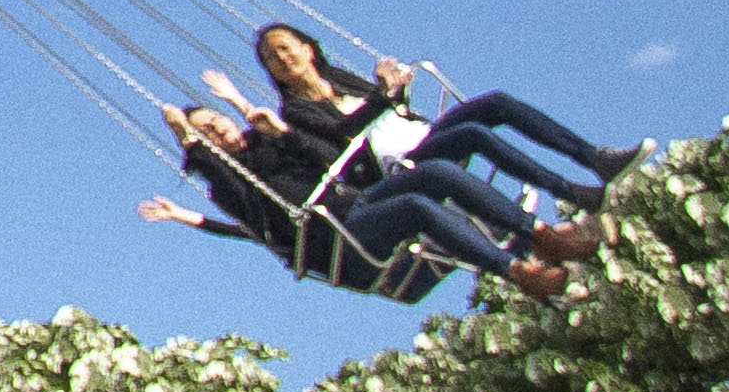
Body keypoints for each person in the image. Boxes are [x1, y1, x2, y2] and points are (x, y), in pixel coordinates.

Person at [143, 99, 554, 293]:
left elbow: (328, 158)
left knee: (436, 173)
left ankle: (537, 234)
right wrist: (187, 142)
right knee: (414, 208)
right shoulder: (228, 186)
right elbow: (251, 229)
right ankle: (515, 271)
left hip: (359, 203)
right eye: (207, 135)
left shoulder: (268, 143)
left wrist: (280, 131)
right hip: (335, 238)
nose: (218, 131)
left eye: (216, 121)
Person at [248, 21, 621, 219]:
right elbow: (345, 132)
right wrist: (381, 95)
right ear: (273, 73)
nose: (282, 58)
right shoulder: (296, 111)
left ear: (307, 49)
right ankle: (570, 192)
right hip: (398, 164)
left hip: (422, 135)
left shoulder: (341, 79)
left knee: (496, 103)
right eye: (271, 58)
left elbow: (388, 105)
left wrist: (393, 86)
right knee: (473, 134)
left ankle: (594, 158)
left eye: (285, 47)